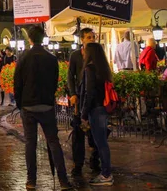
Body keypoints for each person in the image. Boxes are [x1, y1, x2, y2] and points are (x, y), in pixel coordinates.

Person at [14, 25, 73, 191]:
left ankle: (31, 180)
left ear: (30, 39)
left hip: (28, 106)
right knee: (53, 142)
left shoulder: (24, 57)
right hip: (46, 105)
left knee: (30, 144)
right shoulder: (51, 58)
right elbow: (54, 82)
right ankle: (63, 180)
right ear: (43, 39)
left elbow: (17, 83)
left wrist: (20, 103)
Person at [80, 43, 114, 186]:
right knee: (102, 143)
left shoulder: (89, 69)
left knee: (101, 143)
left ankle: (106, 174)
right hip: (103, 107)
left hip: (95, 108)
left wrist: (84, 113)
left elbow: (89, 92)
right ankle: (106, 172)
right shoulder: (104, 69)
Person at [68, 27, 100, 176]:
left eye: (93, 37)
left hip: (94, 99)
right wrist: (73, 93)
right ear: (82, 40)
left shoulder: (98, 55)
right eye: (88, 37)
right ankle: (78, 164)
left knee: (95, 132)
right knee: (78, 133)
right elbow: (70, 76)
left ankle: (95, 160)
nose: (92, 40)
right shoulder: (75, 56)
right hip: (80, 99)